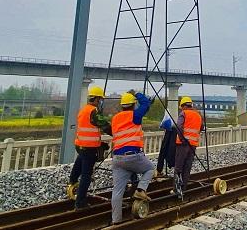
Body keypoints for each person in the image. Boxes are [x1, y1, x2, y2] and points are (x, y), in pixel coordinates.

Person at [110, 90, 155, 225]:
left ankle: (116, 220)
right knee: (150, 169)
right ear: (133, 105)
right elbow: (146, 104)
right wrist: (137, 94)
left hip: (117, 158)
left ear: (122, 105)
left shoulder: (115, 118)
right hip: (133, 156)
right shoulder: (135, 115)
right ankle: (141, 190)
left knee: (117, 191)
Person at [68, 85, 111, 210]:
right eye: (101, 100)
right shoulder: (94, 112)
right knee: (87, 174)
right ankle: (80, 203)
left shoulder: (84, 110)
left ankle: (72, 181)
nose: (101, 102)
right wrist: (118, 133)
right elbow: (105, 126)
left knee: (80, 162)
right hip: (89, 147)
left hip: (80, 145)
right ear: (97, 99)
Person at [174, 96, 203, 199]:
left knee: (178, 168)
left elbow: (179, 127)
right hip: (193, 145)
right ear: (191, 104)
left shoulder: (184, 113)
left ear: (183, 106)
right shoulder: (198, 114)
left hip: (183, 144)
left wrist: (182, 139)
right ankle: (183, 189)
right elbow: (201, 127)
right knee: (187, 167)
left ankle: (177, 190)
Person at [155, 111, 177, 177]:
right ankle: (179, 173)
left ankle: (159, 170)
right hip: (189, 143)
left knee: (165, 150)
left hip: (172, 131)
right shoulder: (196, 115)